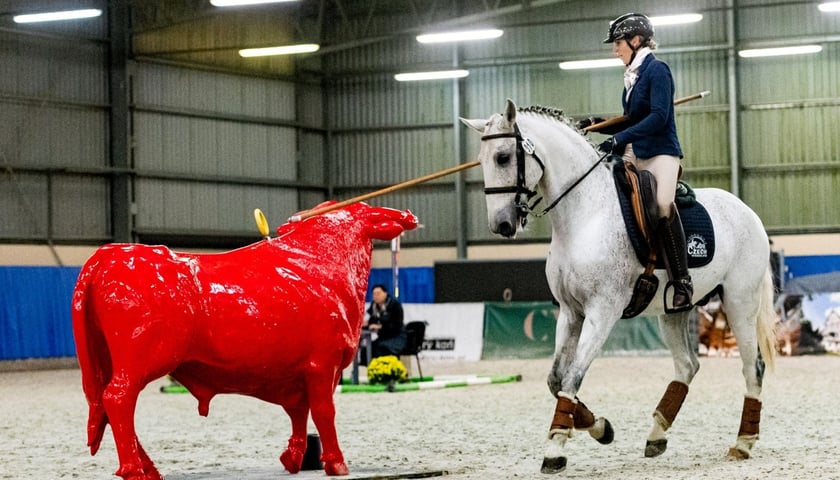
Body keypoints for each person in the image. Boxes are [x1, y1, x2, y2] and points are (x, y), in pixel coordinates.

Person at [581, 12, 693, 312]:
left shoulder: (657, 71)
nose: (614, 49)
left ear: (635, 40)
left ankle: (682, 281)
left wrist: (618, 140)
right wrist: (599, 125)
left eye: (618, 43)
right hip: (636, 150)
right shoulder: (632, 76)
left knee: (662, 205)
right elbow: (632, 120)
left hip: (661, 152)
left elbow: (658, 117)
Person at [363, 284, 407, 360]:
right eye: (374, 294)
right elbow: (371, 320)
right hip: (383, 337)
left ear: (385, 293)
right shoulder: (374, 305)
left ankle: (385, 370)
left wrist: (380, 326)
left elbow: (397, 325)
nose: (376, 296)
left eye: (378, 294)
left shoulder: (395, 305)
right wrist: (366, 324)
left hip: (396, 337)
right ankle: (372, 370)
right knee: (366, 350)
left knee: (380, 349)